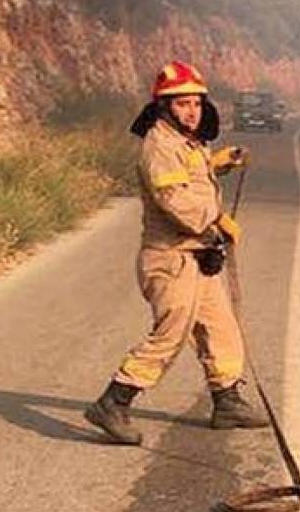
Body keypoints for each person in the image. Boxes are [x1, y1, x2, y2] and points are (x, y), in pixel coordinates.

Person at [84, 60, 268, 445]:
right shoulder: (159, 144)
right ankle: (113, 402)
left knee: (221, 329)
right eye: (182, 104)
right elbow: (175, 200)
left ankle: (227, 400)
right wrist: (219, 218)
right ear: (165, 106)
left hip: (196, 256)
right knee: (169, 336)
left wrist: (219, 163)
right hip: (170, 259)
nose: (192, 111)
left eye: (197, 104)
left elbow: (190, 178)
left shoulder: (187, 142)